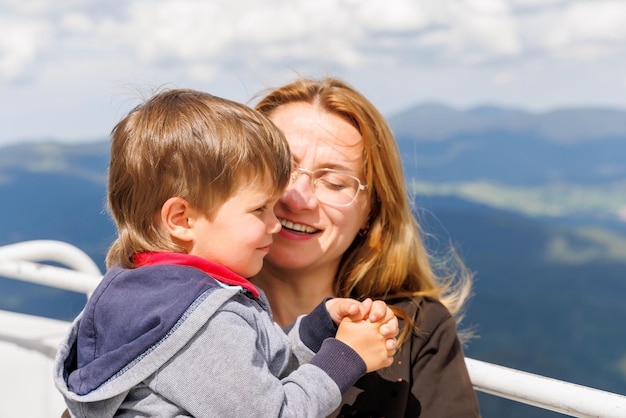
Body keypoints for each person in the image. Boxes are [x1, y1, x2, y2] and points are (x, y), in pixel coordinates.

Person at [53, 88, 399, 417]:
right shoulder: (196, 322)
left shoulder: (144, 297)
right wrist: (346, 356)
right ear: (182, 219)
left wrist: (315, 330)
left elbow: (255, 374)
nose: (275, 224)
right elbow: (275, 412)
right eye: (259, 209)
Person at [250, 77, 481, 417]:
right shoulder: (186, 310)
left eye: (334, 182)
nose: (298, 197)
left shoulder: (415, 330)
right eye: (280, 167)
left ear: (370, 211)